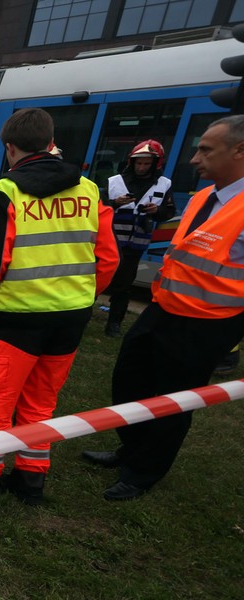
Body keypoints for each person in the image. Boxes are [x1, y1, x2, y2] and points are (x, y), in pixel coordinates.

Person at [82, 115, 244, 501]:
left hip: (206, 323)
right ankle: (132, 447)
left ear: (239, 151)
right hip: (163, 309)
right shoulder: (206, 196)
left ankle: (143, 472)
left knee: (174, 400)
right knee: (130, 379)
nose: (193, 159)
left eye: (205, 149)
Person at [0, 108, 119, 504]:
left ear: (10, 148)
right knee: (41, 402)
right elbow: (108, 257)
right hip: (72, 317)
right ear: (51, 143)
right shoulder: (88, 189)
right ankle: (31, 479)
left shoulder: (4, 192)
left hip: (18, 318)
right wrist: (80, 296)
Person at [103, 140, 176, 337]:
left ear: (155, 164)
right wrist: (115, 203)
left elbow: (169, 211)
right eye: (139, 163)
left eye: (146, 164)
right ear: (132, 162)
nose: (142, 167)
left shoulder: (164, 184)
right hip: (111, 239)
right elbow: (100, 207)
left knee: (125, 284)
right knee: (97, 278)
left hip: (136, 243)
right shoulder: (114, 181)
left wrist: (156, 211)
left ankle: (114, 323)